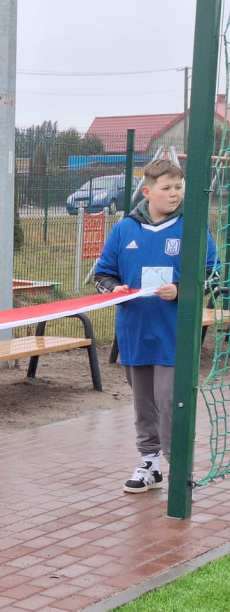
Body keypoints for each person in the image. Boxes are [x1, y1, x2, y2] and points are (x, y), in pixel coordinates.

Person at [94, 157, 217, 494]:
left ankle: (179, 464)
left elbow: (213, 273)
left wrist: (182, 290)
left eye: (179, 187)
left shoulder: (192, 227)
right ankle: (149, 463)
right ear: (147, 191)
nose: (175, 194)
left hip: (174, 334)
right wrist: (114, 288)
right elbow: (103, 274)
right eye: (167, 188)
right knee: (144, 400)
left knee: (170, 398)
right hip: (135, 332)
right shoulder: (124, 229)